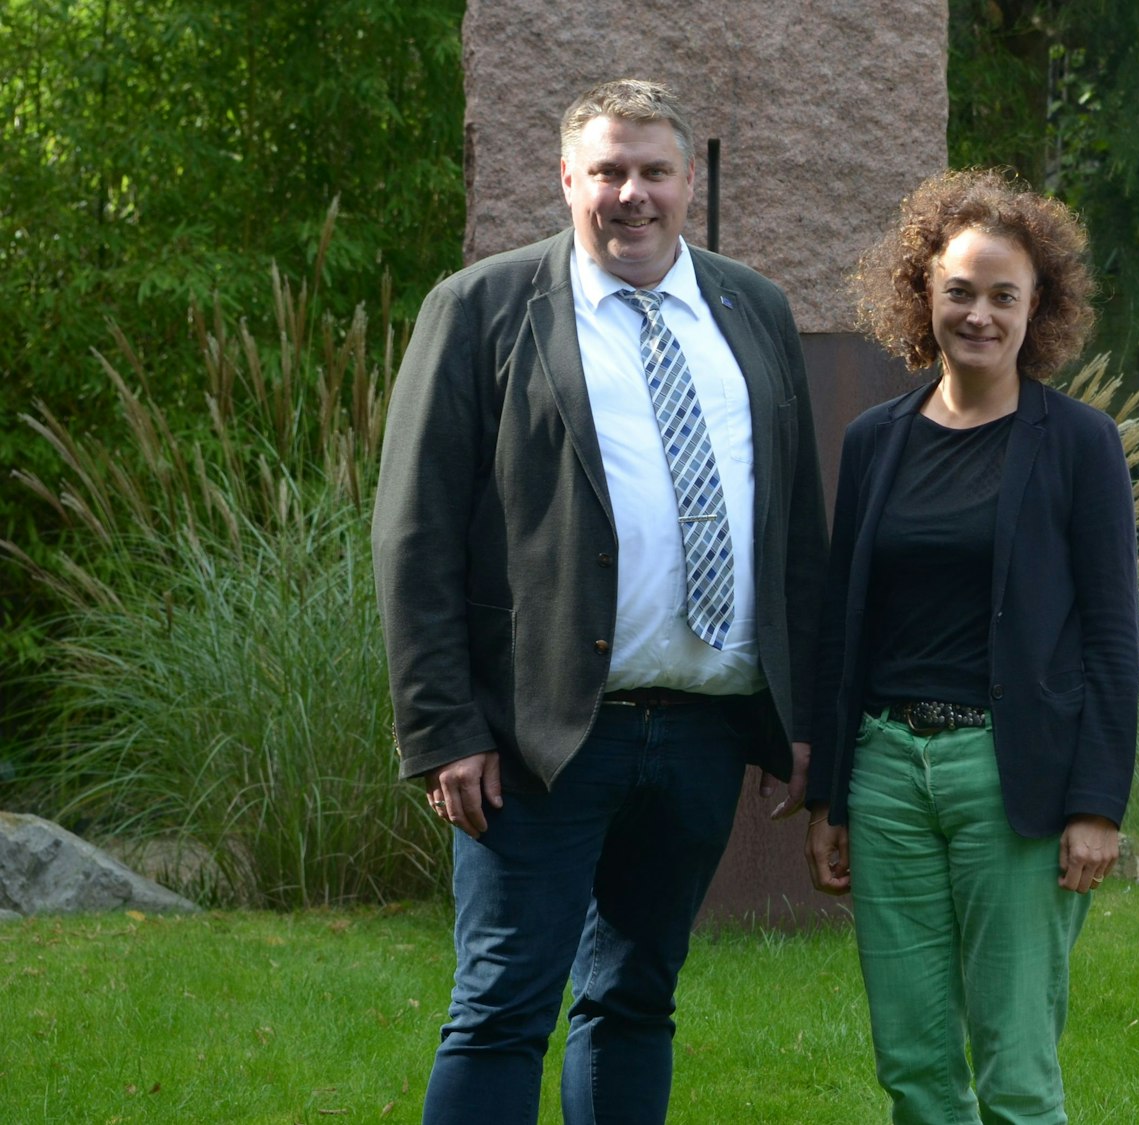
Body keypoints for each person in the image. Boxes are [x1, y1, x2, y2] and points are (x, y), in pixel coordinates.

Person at [372, 78, 826, 1124]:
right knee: (501, 1008)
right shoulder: (481, 309)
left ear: (689, 180)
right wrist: (443, 728)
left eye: (653, 171)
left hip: (702, 731)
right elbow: (413, 533)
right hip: (537, 737)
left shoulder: (753, 309)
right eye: (608, 171)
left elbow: (795, 529)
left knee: (634, 1001)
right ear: (567, 179)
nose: (633, 194)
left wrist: (798, 714)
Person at [802, 169, 1139, 1125]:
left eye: (1003, 295)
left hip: (1012, 777)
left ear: (1040, 307)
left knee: (1016, 1071)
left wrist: (1096, 805)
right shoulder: (876, 440)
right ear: (924, 292)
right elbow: (842, 626)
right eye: (960, 290)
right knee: (914, 1068)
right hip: (888, 775)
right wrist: (831, 794)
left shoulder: (1078, 443)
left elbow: (1112, 636)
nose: (979, 314)